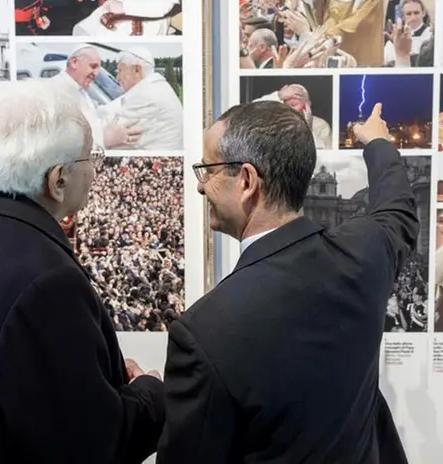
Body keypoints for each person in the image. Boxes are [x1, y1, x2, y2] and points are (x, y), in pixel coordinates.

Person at [0, 78, 165, 463]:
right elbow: (96, 445)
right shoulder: (46, 281)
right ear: (57, 180)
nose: (95, 170)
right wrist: (151, 392)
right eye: (89, 158)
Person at [157, 101, 418, 462]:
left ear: (247, 181)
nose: (202, 187)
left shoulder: (203, 332)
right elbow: (399, 209)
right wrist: (378, 142)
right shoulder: (366, 255)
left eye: (208, 170)